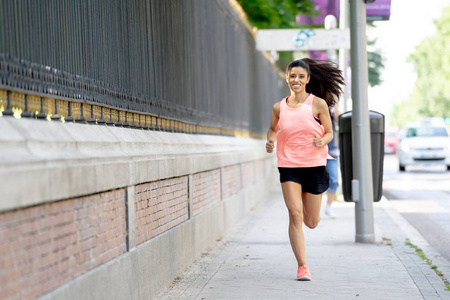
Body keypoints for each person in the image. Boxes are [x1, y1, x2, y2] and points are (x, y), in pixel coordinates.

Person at [265, 58, 344, 281]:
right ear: (287, 78)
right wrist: (270, 141)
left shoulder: (317, 104)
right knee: (295, 214)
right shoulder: (278, 107)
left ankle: (304, 257)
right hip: (289, 166)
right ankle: (303, 266)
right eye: (292, 76)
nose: (296, 80)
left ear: (308, 79)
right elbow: (272, 130)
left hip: (315, 166)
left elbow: (329, 132)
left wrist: (323, 140)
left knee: (311, 221)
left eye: (301, 76)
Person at [325, 107, 340, 219]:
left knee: (334, 180)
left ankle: (329, 207)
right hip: (314, 150)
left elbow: (339, 119)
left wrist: (334, 104)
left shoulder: (330, 109)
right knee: (314, 180)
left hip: (331, 150)